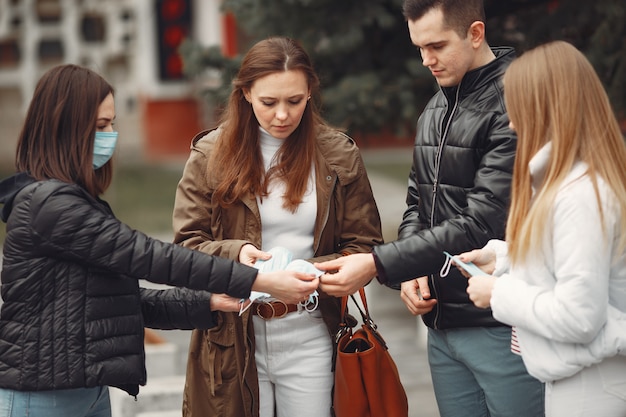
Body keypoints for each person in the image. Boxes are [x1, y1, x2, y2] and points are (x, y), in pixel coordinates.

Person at [0, 64, 319, 417]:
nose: (111, 135)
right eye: (100, 126)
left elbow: (124, 303)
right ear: (65, 129)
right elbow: (150, 256)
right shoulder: (49, 205)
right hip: (42, 401)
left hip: (86, 393)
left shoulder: (70, 201)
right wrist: (257, 280)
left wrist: (209, 301)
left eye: (112, 123)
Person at [315, 1, 544, 416]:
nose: (426, 60)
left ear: (475, 33)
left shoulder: (515, 102)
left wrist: (378, 264)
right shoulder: (436, 107)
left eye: (437, 45)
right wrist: (409, 270)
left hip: (502, 323)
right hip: (441, 328)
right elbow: (417, 203)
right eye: (419, 47)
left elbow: (481, 223)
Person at [172, 36, 383, 417]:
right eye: (269, 102)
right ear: (246, 93)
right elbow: (186, 246)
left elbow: (364, 245)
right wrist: (237, 254)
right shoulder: (210, 155)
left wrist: (313, 273)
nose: (282, 115)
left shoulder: (338, 154)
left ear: (309, 94)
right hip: (231, 337)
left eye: (295, 101)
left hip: (311, 331)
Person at [459, 41, 626, 417]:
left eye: (517, 108)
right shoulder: (571, 184)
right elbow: (566, 261)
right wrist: (501, 257)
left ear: (545, 109)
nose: (513, 123)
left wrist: (498, 293)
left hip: (590, 387)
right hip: (583, 379)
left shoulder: (579, 195)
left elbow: (578, 317)